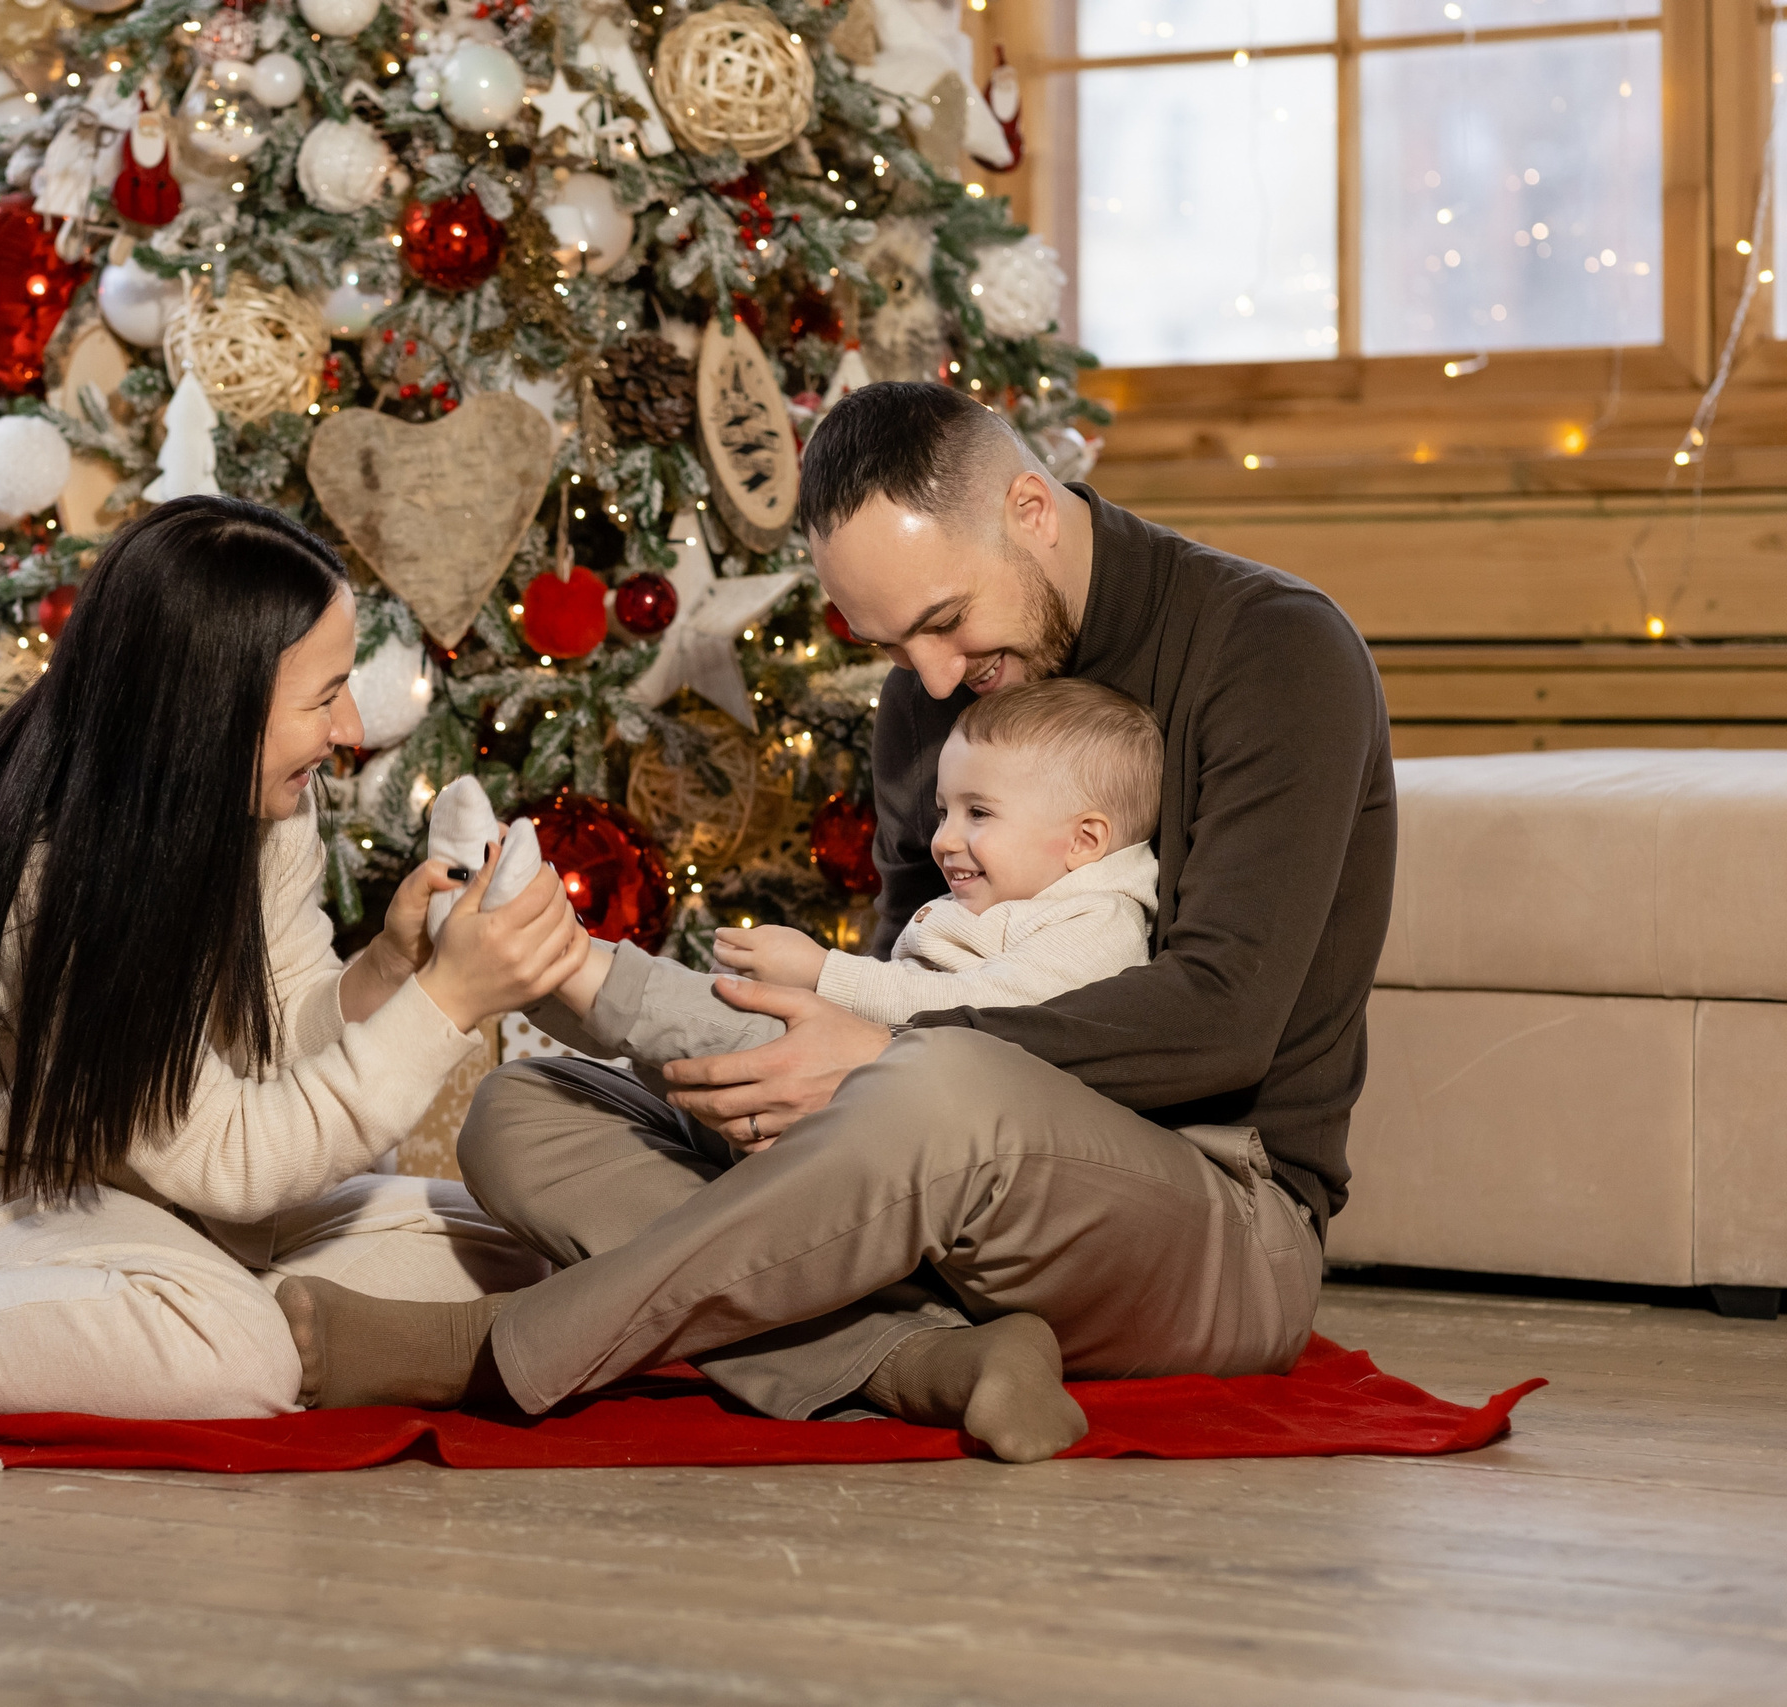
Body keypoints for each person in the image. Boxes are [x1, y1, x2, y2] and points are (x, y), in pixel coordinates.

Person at [276, 382, 1397, 1464]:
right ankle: (931, 1363)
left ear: (1030, 509)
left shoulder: (1274, 651)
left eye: (945, 622)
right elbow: (917, 965)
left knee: (934, 1081)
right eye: (892, 647)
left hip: (1216, 1215)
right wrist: (801, 1062)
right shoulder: (931, 696)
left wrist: (879, 1059)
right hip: (937, 1174)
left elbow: (1224, 1019)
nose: (933, 680)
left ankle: (491, 1354)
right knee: (527, 1111)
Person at [0, 495, 592, 1421]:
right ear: (213, 708)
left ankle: (170, 1316)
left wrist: (391, 970)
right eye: (324, 696)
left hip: (103, 1168)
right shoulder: (37, 874)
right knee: (237, 1353)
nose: (353, 728)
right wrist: (446, 1003)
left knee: (506, 1245)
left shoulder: (263, 802)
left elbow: (275, 1036)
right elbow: (234, 1156)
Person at [530, 676, 1162, 1080]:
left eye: (979, 814)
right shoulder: (1019, 897)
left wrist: (824, 974)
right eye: (945, 811)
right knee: (680, 1051)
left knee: (744, 1029)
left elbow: (993, 1013)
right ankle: (559, 989)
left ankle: (564, 968)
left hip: (918, 1098)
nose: (943, 840)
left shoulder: (1097, 923)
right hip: (885, 1075)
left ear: (1084, 841)